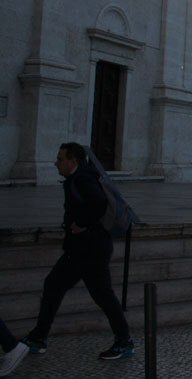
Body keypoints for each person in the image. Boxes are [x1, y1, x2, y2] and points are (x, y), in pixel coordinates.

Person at [20, 143, 134, 360]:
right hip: (84, 248)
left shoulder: (83, 178)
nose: (56, 163)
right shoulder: (82, 176)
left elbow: (98, 202)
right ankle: (39, 336)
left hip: (90, 249)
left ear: (73, 161)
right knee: (55, 285)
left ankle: (124, 340)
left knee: (101, 295)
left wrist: (81, 223)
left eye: (60, 159)